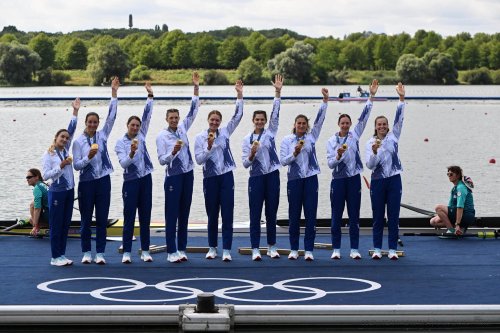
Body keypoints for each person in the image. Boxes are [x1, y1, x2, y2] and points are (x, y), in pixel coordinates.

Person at [327, 79, 379, 260]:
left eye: (347, 122)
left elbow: (364, 118)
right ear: (338, 124)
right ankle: (336, 249)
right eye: (342, 123)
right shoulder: (331, 141)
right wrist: (338, 156)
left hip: (354, 179)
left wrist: (371, 97)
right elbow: (330, 165)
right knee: (336, 216)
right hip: (338, 180)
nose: (345, 125)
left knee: (354, 216)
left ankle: (354, 249)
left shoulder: (354, 135)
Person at [194, 80, 244, 262]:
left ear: (220, 122)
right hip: (210, 178)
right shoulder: (200, 137)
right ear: (208, 121)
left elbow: (238, 117)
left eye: (217, 120)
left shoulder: (225, 132)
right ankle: (212, 247)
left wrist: (239, 95)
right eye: (212, 120)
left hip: (226, 177)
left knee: (228, 214)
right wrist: (208, 148)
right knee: (212, 213)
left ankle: (227, 250)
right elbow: (199, 160)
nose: (214, 122)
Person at [73, 77, 119, 265]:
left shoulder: (102, 135)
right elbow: (76, 166)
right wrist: (88, 158)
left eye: (95, 122)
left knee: (101, 218)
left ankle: (100, 252)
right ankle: (86, 252)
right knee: (85, 220)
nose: (93, 125)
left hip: (103, 180)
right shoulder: (77, 142)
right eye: (90, 122)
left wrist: (114, 93)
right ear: (86, 122)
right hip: (86, 183)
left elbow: (113, 116)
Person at [280, 88, 329, 261]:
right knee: (294, 215)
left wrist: (324, 101)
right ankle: (294, 249)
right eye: (298, 123)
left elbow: (320, 121)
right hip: (294, 180)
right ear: (294, 125)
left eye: (303, 124)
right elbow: (283, 161)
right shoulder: (287, 140)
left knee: (310, 214)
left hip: (310, 179)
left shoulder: (311, 137)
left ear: (306, 126)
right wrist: (294, 153)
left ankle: (308, 249)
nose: (301, 126)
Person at [156, 72, 201, 263]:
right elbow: (161, 161)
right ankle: (170, 251)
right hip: (173, 176)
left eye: (176, 117)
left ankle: (181, 248)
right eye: (171, 118)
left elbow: (194, 111)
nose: (174, 120)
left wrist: (196, 88)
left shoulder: (183, 128)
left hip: (188, 175)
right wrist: (173, 152)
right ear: (167, 119)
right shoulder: (162, 136)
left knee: (185, 213)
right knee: (172, 214)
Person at [242, 74, 283, 261]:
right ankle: (255, 248)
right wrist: (251, 154)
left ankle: (271, 246)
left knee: (271, 212)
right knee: (255, 213)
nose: (259, 122)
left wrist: (277, 92)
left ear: (265, 122)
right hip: (256, 177)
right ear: (253, 121)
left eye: (262, 120)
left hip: (272, 175)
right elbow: (245, 163)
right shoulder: (246, 139)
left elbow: (276, 113)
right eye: (257, 119)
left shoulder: (271, 133)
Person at [365, 82, 406, 260]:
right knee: (378, 216)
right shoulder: (369, 142)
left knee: (393, 216)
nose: (382, 126)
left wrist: (401, 98)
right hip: (378, 181)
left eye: (384, 124)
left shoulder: (393, 136)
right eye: (379, 125)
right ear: (375, 127)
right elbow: (369, 165)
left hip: (394, 179)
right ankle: (376, 248)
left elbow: (400, 118)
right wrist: (374, 152)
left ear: (388, 126)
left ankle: (391, 249)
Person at [115, 83, 155, 264]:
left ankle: (145, 250)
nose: (135, 128)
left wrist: (150, 96)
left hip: (146, 179)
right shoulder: (120, 143)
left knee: (145, 217)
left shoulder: (142, 135)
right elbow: (123, 163)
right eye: (132, 125)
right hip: (130, 181)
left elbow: (148, 115)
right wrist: (131, 153)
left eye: (137, 126)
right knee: (129, 216)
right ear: (127, 126)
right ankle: (127, 253)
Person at [42, 98, 80, 266]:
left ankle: (62, 255)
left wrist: (75, 112)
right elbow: (45, 176)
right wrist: (61, 165)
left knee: (65, 225)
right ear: (55, 138)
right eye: (62, 137)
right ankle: (54, 256)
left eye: (66, 138)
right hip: (56, 192)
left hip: (69, 191)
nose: (64, 139)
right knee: (56, 225)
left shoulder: (65, 150)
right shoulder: (48, 155)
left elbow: (72, 128)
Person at [430, 166, 475, 236]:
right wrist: (441, 215)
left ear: (458, 175)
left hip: (466, 215)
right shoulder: (455, 188)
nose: (449, 176)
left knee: (438, 208)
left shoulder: (461, 188)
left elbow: (460, 207)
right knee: (433, 221)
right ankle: (460, 228)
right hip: (460, 214)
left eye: (451, 174)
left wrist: (457, 224)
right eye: (448, 174)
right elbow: (451, 206)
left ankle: (452, 230)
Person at [25, 168, 49, 236]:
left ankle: (36, 229)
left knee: (31, 217)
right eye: (27, 177)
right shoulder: (44, 184)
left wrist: (35, 225)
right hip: (56, 214)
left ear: (37, 177)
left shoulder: (37, 188)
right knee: (33, 204)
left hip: (51, 215)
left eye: (29, 177)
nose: (27, 179)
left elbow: (37, 208)